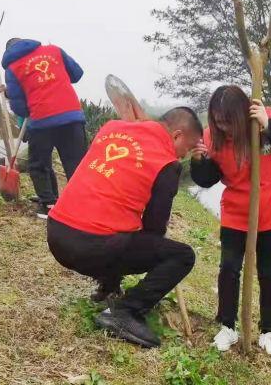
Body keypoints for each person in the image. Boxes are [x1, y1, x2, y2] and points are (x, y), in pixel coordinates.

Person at [47, 107, 203, 348]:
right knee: (182, 256)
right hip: (91, 247)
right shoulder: (167, 164)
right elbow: (154, 228)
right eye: (186, 149)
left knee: (119, 225)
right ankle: (125, 312)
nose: (182, 156)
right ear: (177, 135)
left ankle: (107, 288)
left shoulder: (111, 128)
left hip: (57, 233)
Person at [190, 85, 271, 357]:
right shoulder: (211, 138)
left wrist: (269, 127)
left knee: (269, 274)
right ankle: (228, 326)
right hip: (236, 214)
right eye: (218, 122)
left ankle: (267, 330)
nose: (225, 128)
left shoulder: (266, 118)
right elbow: (206, 180)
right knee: (229, 269)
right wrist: (199, 162)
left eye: (229, 121)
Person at [2, 38, 88, 218]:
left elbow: (19, 108)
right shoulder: (54, 50)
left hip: (42, 122)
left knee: (39, 164)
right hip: (71, 116)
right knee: (77, 164)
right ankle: (84, 206)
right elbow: (77, 74)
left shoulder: (12, 68)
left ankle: (49, 204)